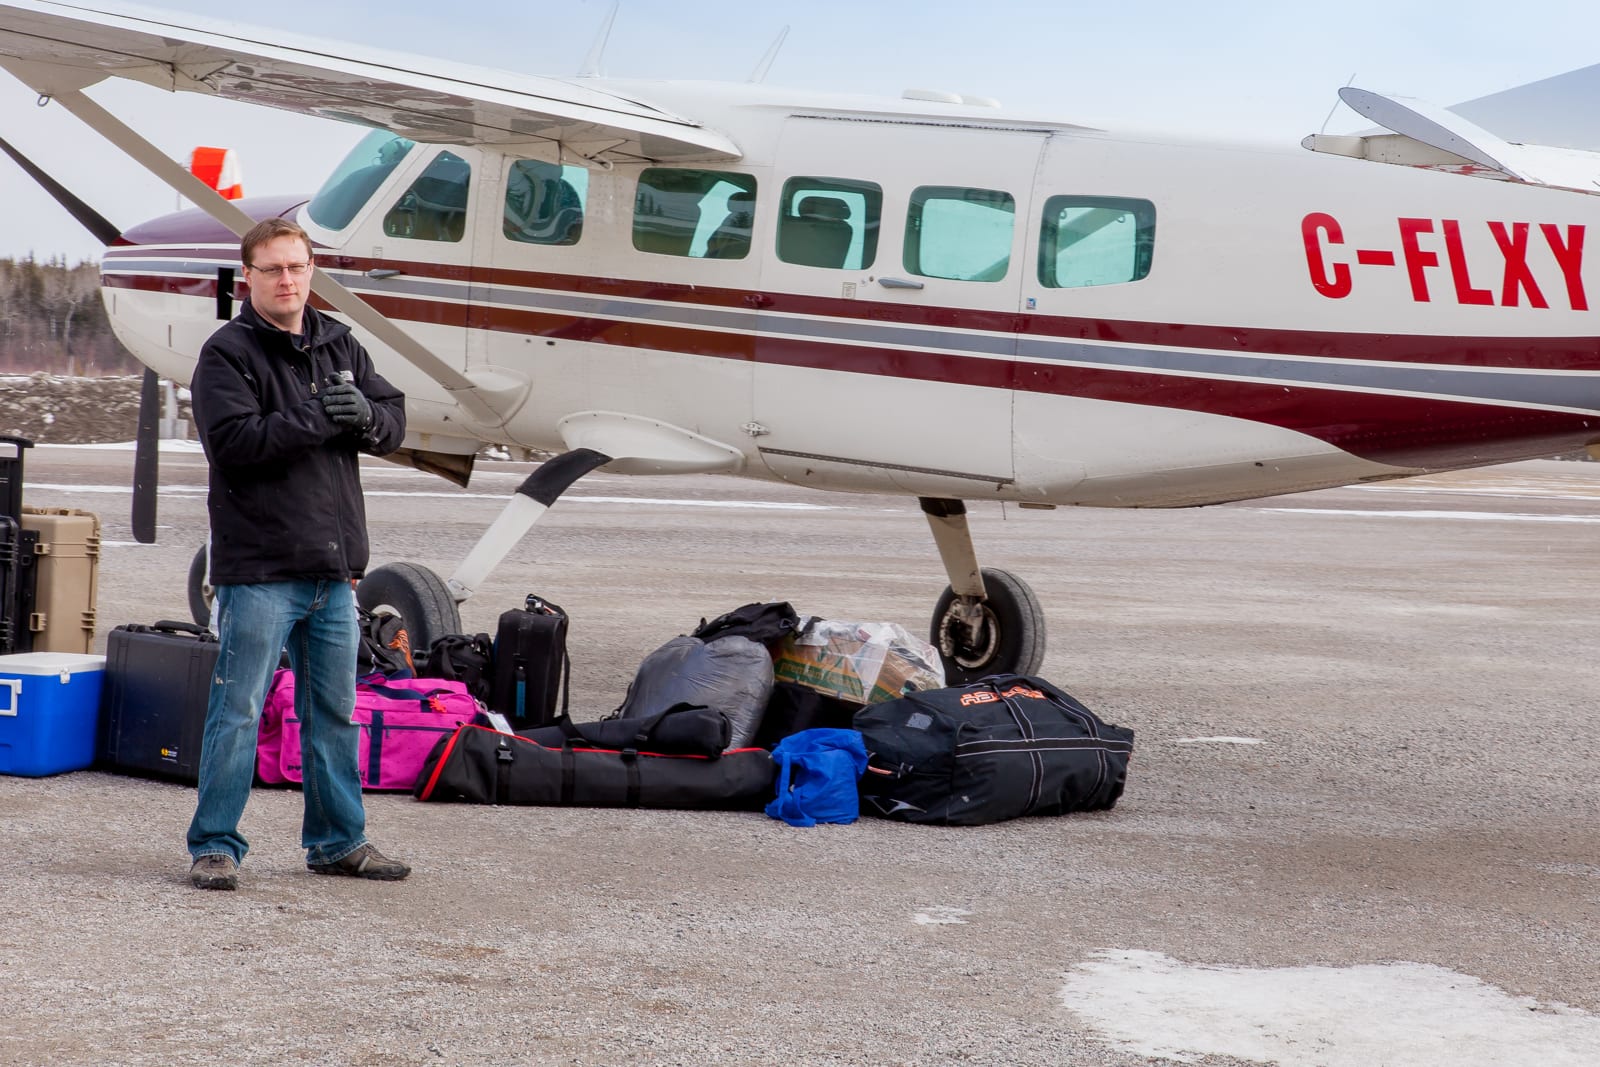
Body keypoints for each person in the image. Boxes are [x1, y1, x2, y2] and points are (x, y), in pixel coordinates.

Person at [186, 217, 410, 890]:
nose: (287, 279)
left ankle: (339, 842)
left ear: (312, 271)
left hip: (333, 572)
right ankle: (215, 844)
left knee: (334, 714)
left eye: (297, 266)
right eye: (273, 269)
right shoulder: (227, 354)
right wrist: (322, 414)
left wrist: (365, 417)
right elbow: (235, 444)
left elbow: (393, 423)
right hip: (259, 570)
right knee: (240, 709)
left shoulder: (341, 342)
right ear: (248, 277)